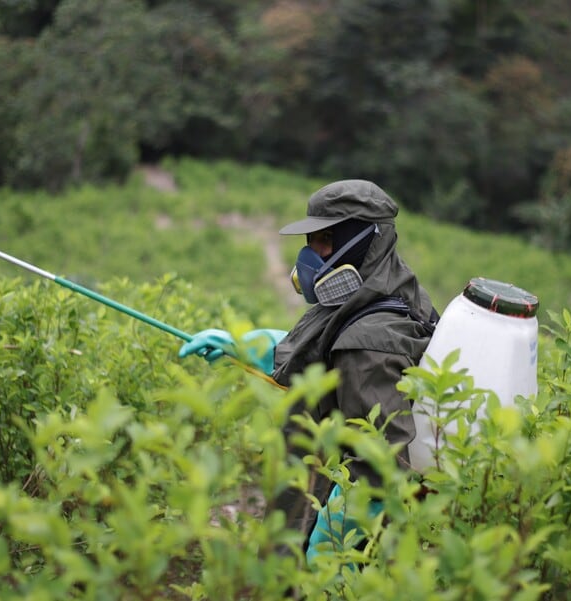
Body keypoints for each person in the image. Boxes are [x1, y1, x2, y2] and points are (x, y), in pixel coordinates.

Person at [177, 179, 437, 559]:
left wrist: (326, 556)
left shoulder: (369, 343)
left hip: (315, 537)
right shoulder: (382, 289)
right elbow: (325, 354)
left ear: (363, 240)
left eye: (325, 240)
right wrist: (248, 346)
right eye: (311, 240)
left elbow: (377, 468)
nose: (312, 254)